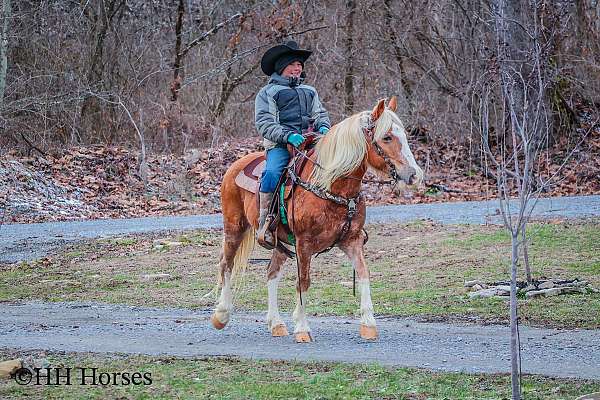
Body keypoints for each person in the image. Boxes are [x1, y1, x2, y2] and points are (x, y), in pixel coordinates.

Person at [255, 41, 331, 248]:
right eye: (294, 64)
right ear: (282, 67)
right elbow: (264, 122)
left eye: (300, 65)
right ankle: (266, 222)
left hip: (310, 142)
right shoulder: (268, 93)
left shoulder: (310, 91)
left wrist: (323, 127)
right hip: (280, 146)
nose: (298, 68)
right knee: (271, 173)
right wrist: (287, 136)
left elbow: (320, 114)